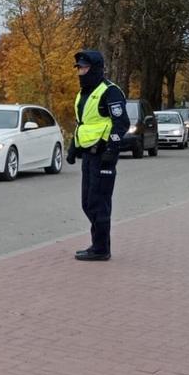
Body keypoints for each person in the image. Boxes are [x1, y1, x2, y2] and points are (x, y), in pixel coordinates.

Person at [65, 49, 130, 261]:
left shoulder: (109, 92)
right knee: (87, 202)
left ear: (95, 69)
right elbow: (84, 124)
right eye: (79, 68)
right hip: (89, 156)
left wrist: (111, 150)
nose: (81, 72)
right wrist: (74, 147)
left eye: (84, 68)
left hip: (103, 155)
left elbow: (121, 124)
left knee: (98, 202)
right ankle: (98, 245)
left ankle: (101, 248)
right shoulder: (84, 93)